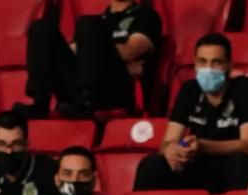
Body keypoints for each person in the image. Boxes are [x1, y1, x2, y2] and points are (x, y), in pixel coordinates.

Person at [134, 33, 248, 195]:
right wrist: (174, 150)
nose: (208, 68)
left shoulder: (247, 89)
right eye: (202, 62)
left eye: (216, 62)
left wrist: (202, 145)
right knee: (152, 164)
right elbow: (167, 142)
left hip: (232, 169)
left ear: (228, 66)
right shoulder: (189, 90)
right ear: (195, 65)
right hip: (198, 168)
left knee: (238, 161)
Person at [19, 0, 162, 119]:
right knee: (40, 28)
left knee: (88, 23)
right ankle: (40, 102)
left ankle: (87, 100)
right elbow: (74, 53)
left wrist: (91, 49)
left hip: (114, 90)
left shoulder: (146, 17)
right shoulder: (97, 22)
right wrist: (94, 51)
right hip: (80, 86)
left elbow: (131, 50)